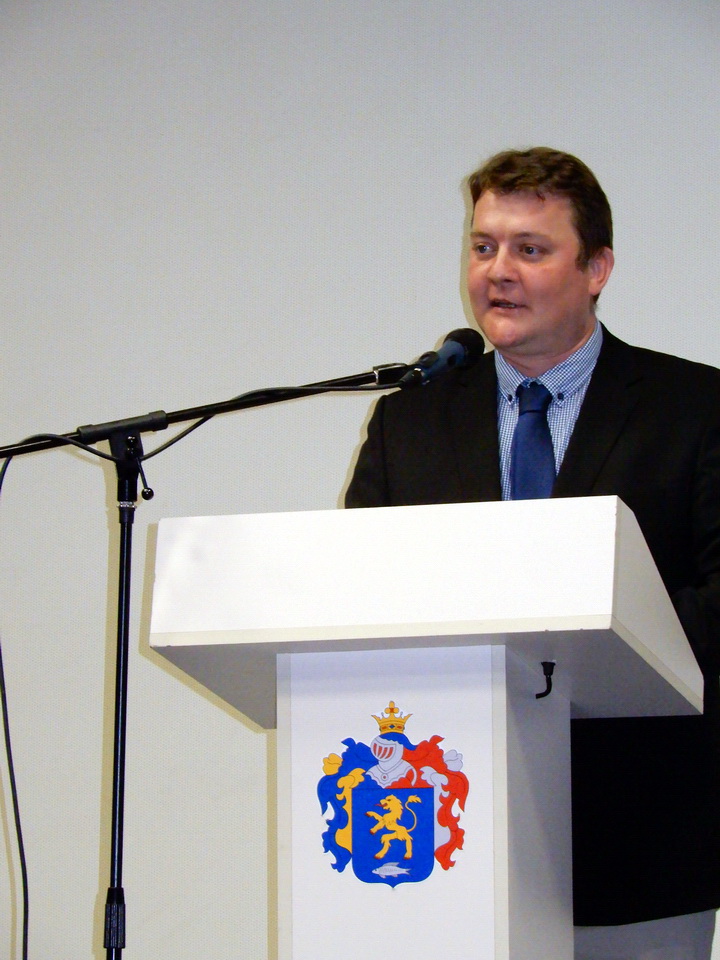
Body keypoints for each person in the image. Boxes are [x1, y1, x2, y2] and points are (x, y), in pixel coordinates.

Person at [345, 147, 720, 960]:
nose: (498, 271)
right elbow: (360, 595)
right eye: (483, 246)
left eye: (531, 249)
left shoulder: (696, 408)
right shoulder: (410, 421)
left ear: (597, 268)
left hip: (642, 840)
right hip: (437, 842)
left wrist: (580, 659)